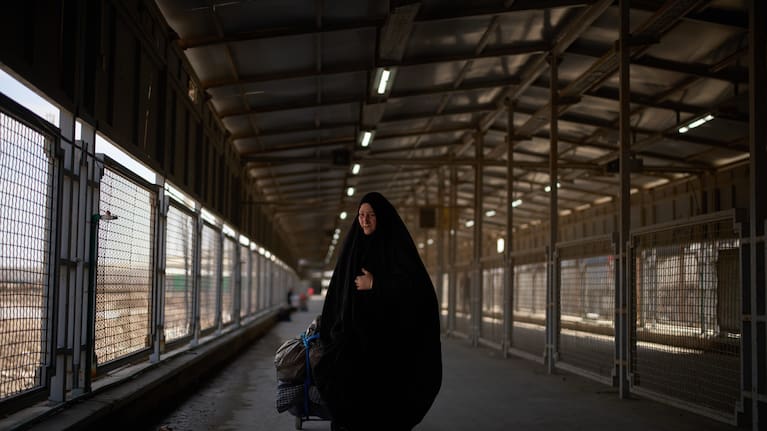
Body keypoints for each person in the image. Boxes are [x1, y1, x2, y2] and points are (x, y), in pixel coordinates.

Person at [314, 192, 442, 431]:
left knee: (384, 398)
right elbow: (338, 291)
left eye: (371, 215)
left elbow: (418, 290)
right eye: (361, 215)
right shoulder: (352, 248)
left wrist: (376, 284)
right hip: (353, 336)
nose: (365, 221)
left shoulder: (397, 249)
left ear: (381, 217)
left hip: (387, 340)